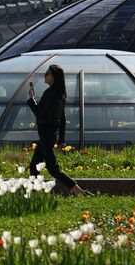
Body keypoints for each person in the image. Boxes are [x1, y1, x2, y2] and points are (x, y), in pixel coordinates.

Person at [28, 65, 91, 196]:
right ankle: (34, 193)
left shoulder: (50, 93)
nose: (45, 75)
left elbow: (40, 113)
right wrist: (61, 139)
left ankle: (79, 191)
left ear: (54, 76)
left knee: (53, 169)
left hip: (46, 135)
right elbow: (62, 119)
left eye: (47, 73)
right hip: (50, 135)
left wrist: (31, 99)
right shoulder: (60, 93)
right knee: (34, 165)